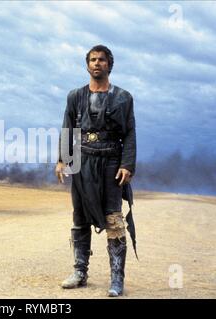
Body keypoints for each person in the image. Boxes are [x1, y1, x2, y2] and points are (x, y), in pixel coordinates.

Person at [56, 44, 137, 297]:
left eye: (102, 60)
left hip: (111, 161)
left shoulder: (123, 97)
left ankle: (117, 278)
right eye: (92, 60)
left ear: (109, 64)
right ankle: (80, 272)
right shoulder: (75, 96)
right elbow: (68, 129)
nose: (97, 63)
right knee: (79, 216)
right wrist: (62, 160)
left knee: (114, 219)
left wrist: (127, 164)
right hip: (82, 161)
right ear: (87, 64)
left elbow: (130, 132)